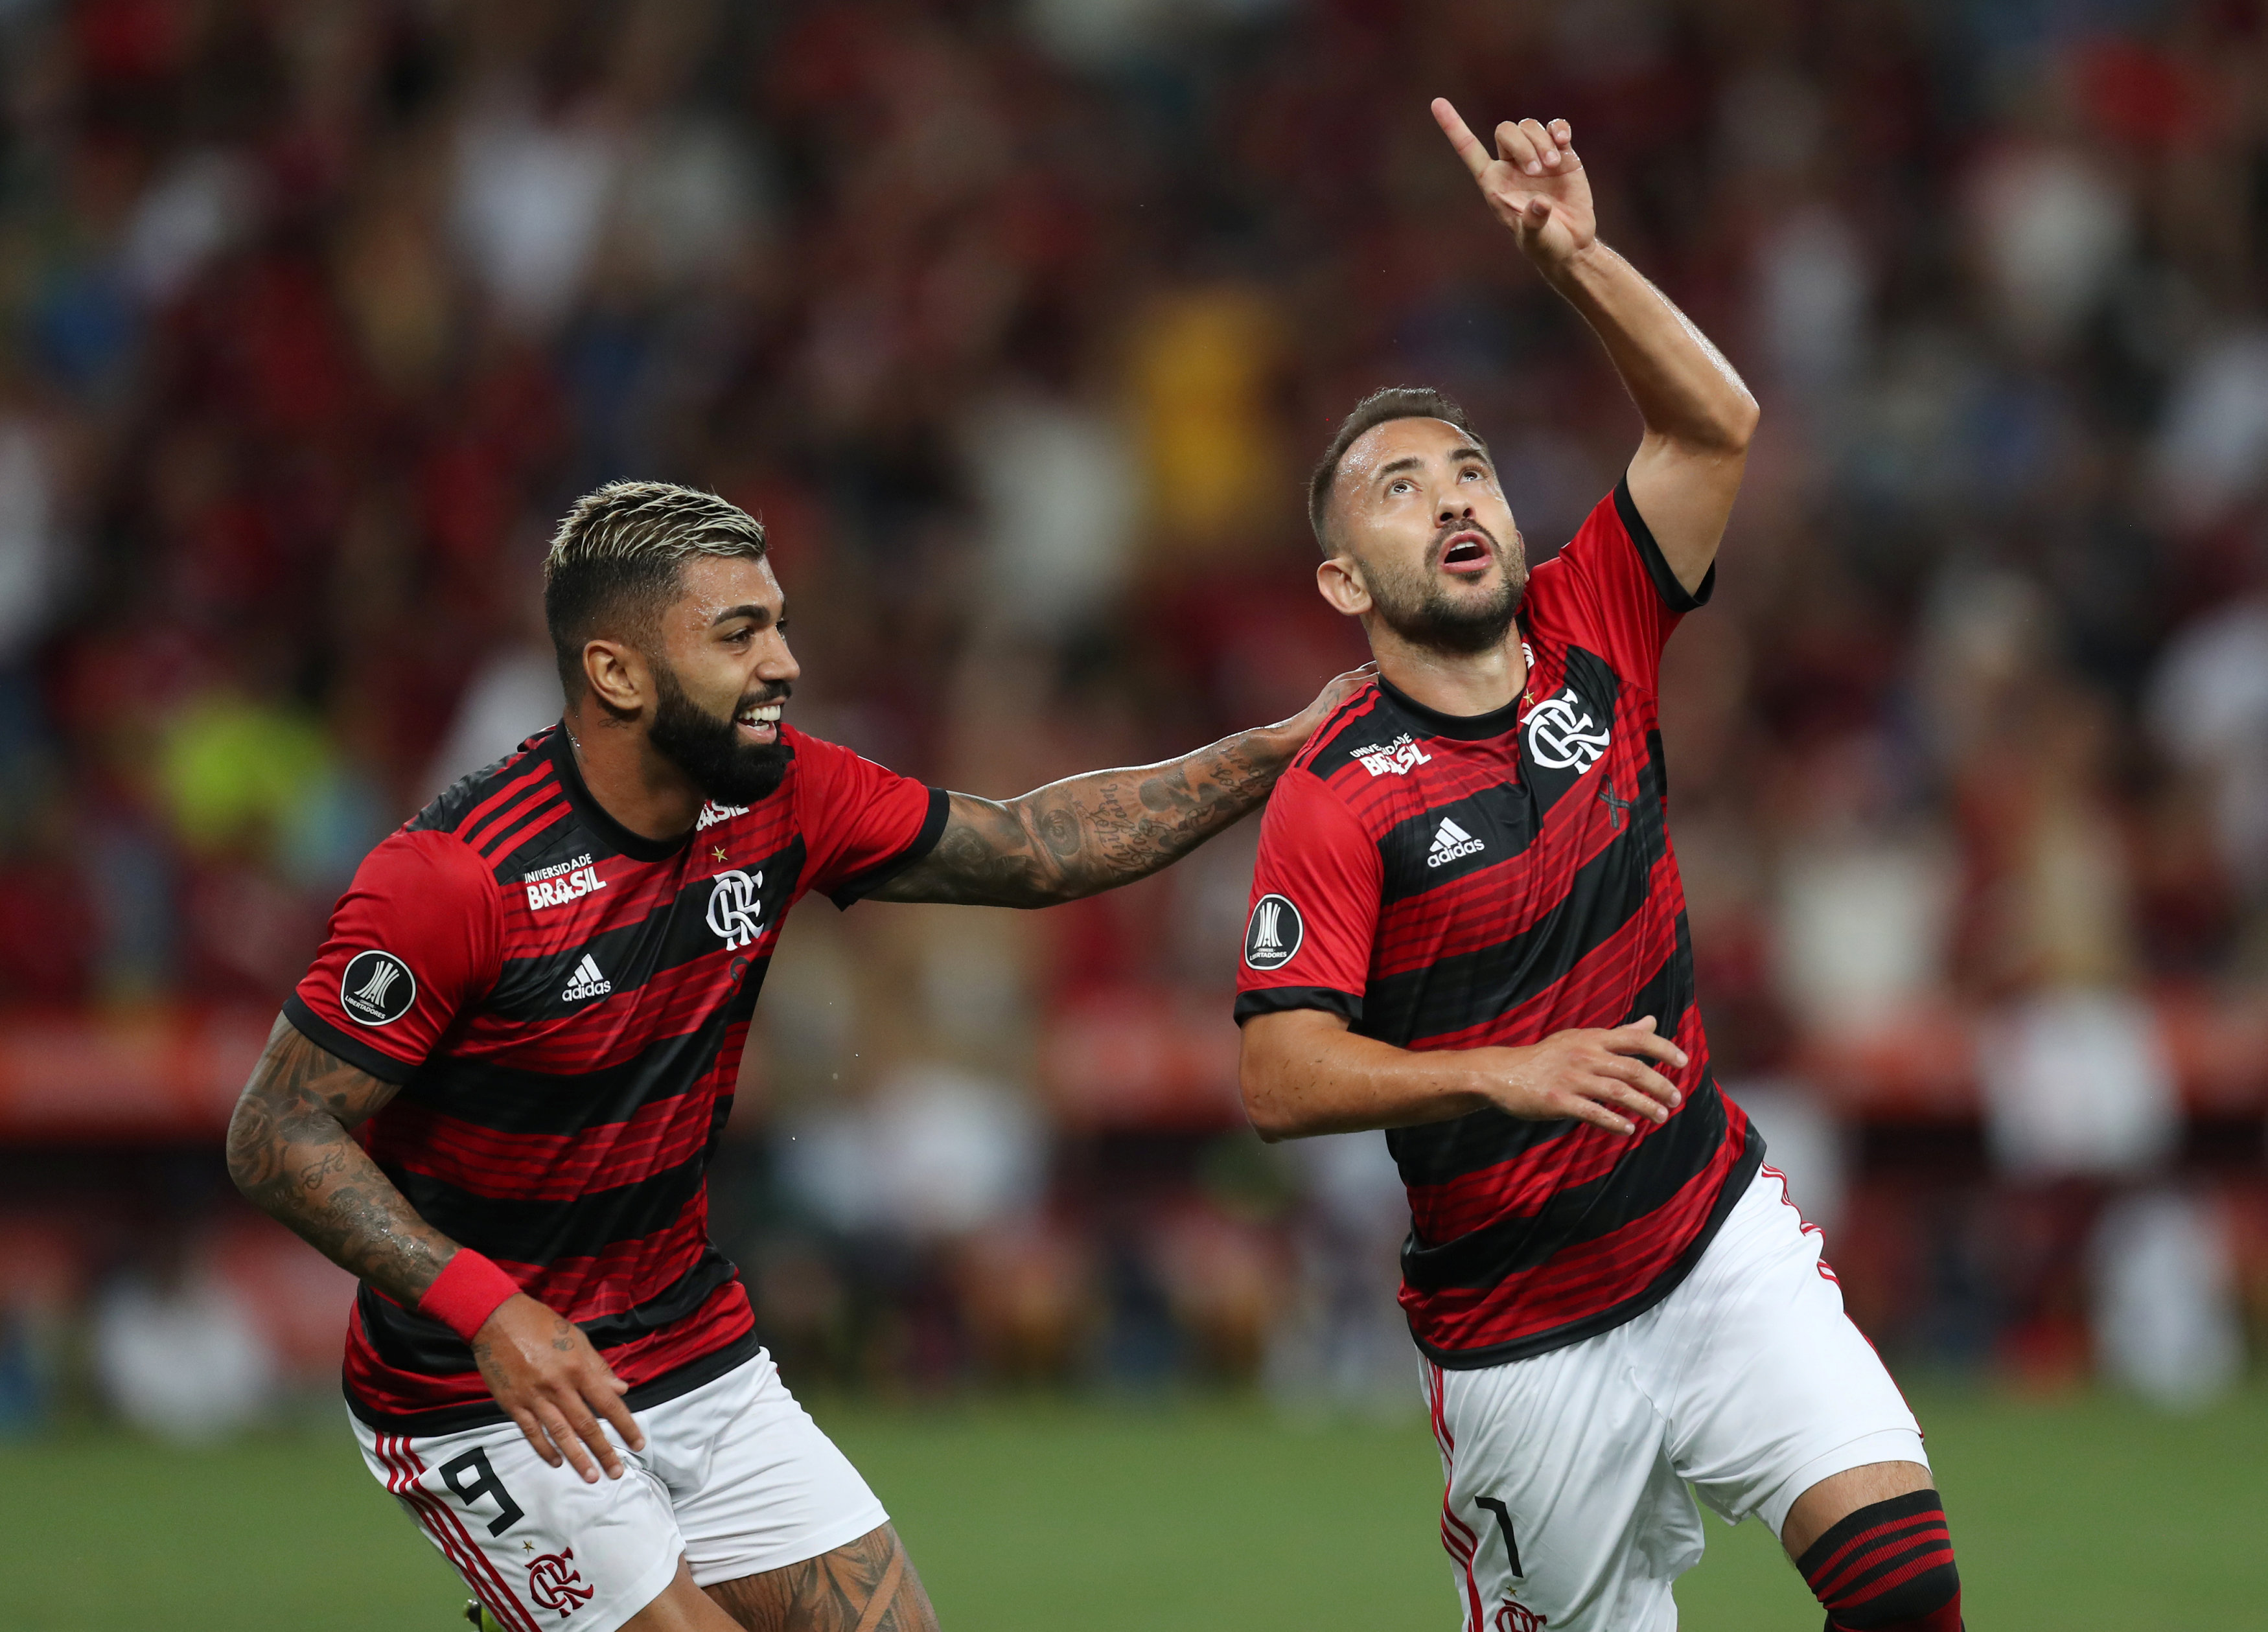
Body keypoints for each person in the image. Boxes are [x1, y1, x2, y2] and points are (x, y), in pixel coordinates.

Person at [226, 478, 1367, 1632]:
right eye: (739, 635)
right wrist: (488, 1309)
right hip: (480, 1391)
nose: (785, 663)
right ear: (617, 673)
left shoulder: (783, 796)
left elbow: (1033, 847)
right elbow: (274, 1130)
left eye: (776, 622)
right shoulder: (452, 878)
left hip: (690, 1347)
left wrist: (1275, 752)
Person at [1234, 103, 1963, 1632]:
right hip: (1519, 1337)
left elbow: (1714, 425)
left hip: (1712, 1237)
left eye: (1470, 470)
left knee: (1903, 1586)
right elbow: (1281, 1075)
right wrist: (1502, 1071)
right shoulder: (1333, 792)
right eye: (1400, 487)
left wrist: (1572, 258)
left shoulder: (1594, 625)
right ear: (1338, 577)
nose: (1452, 498)